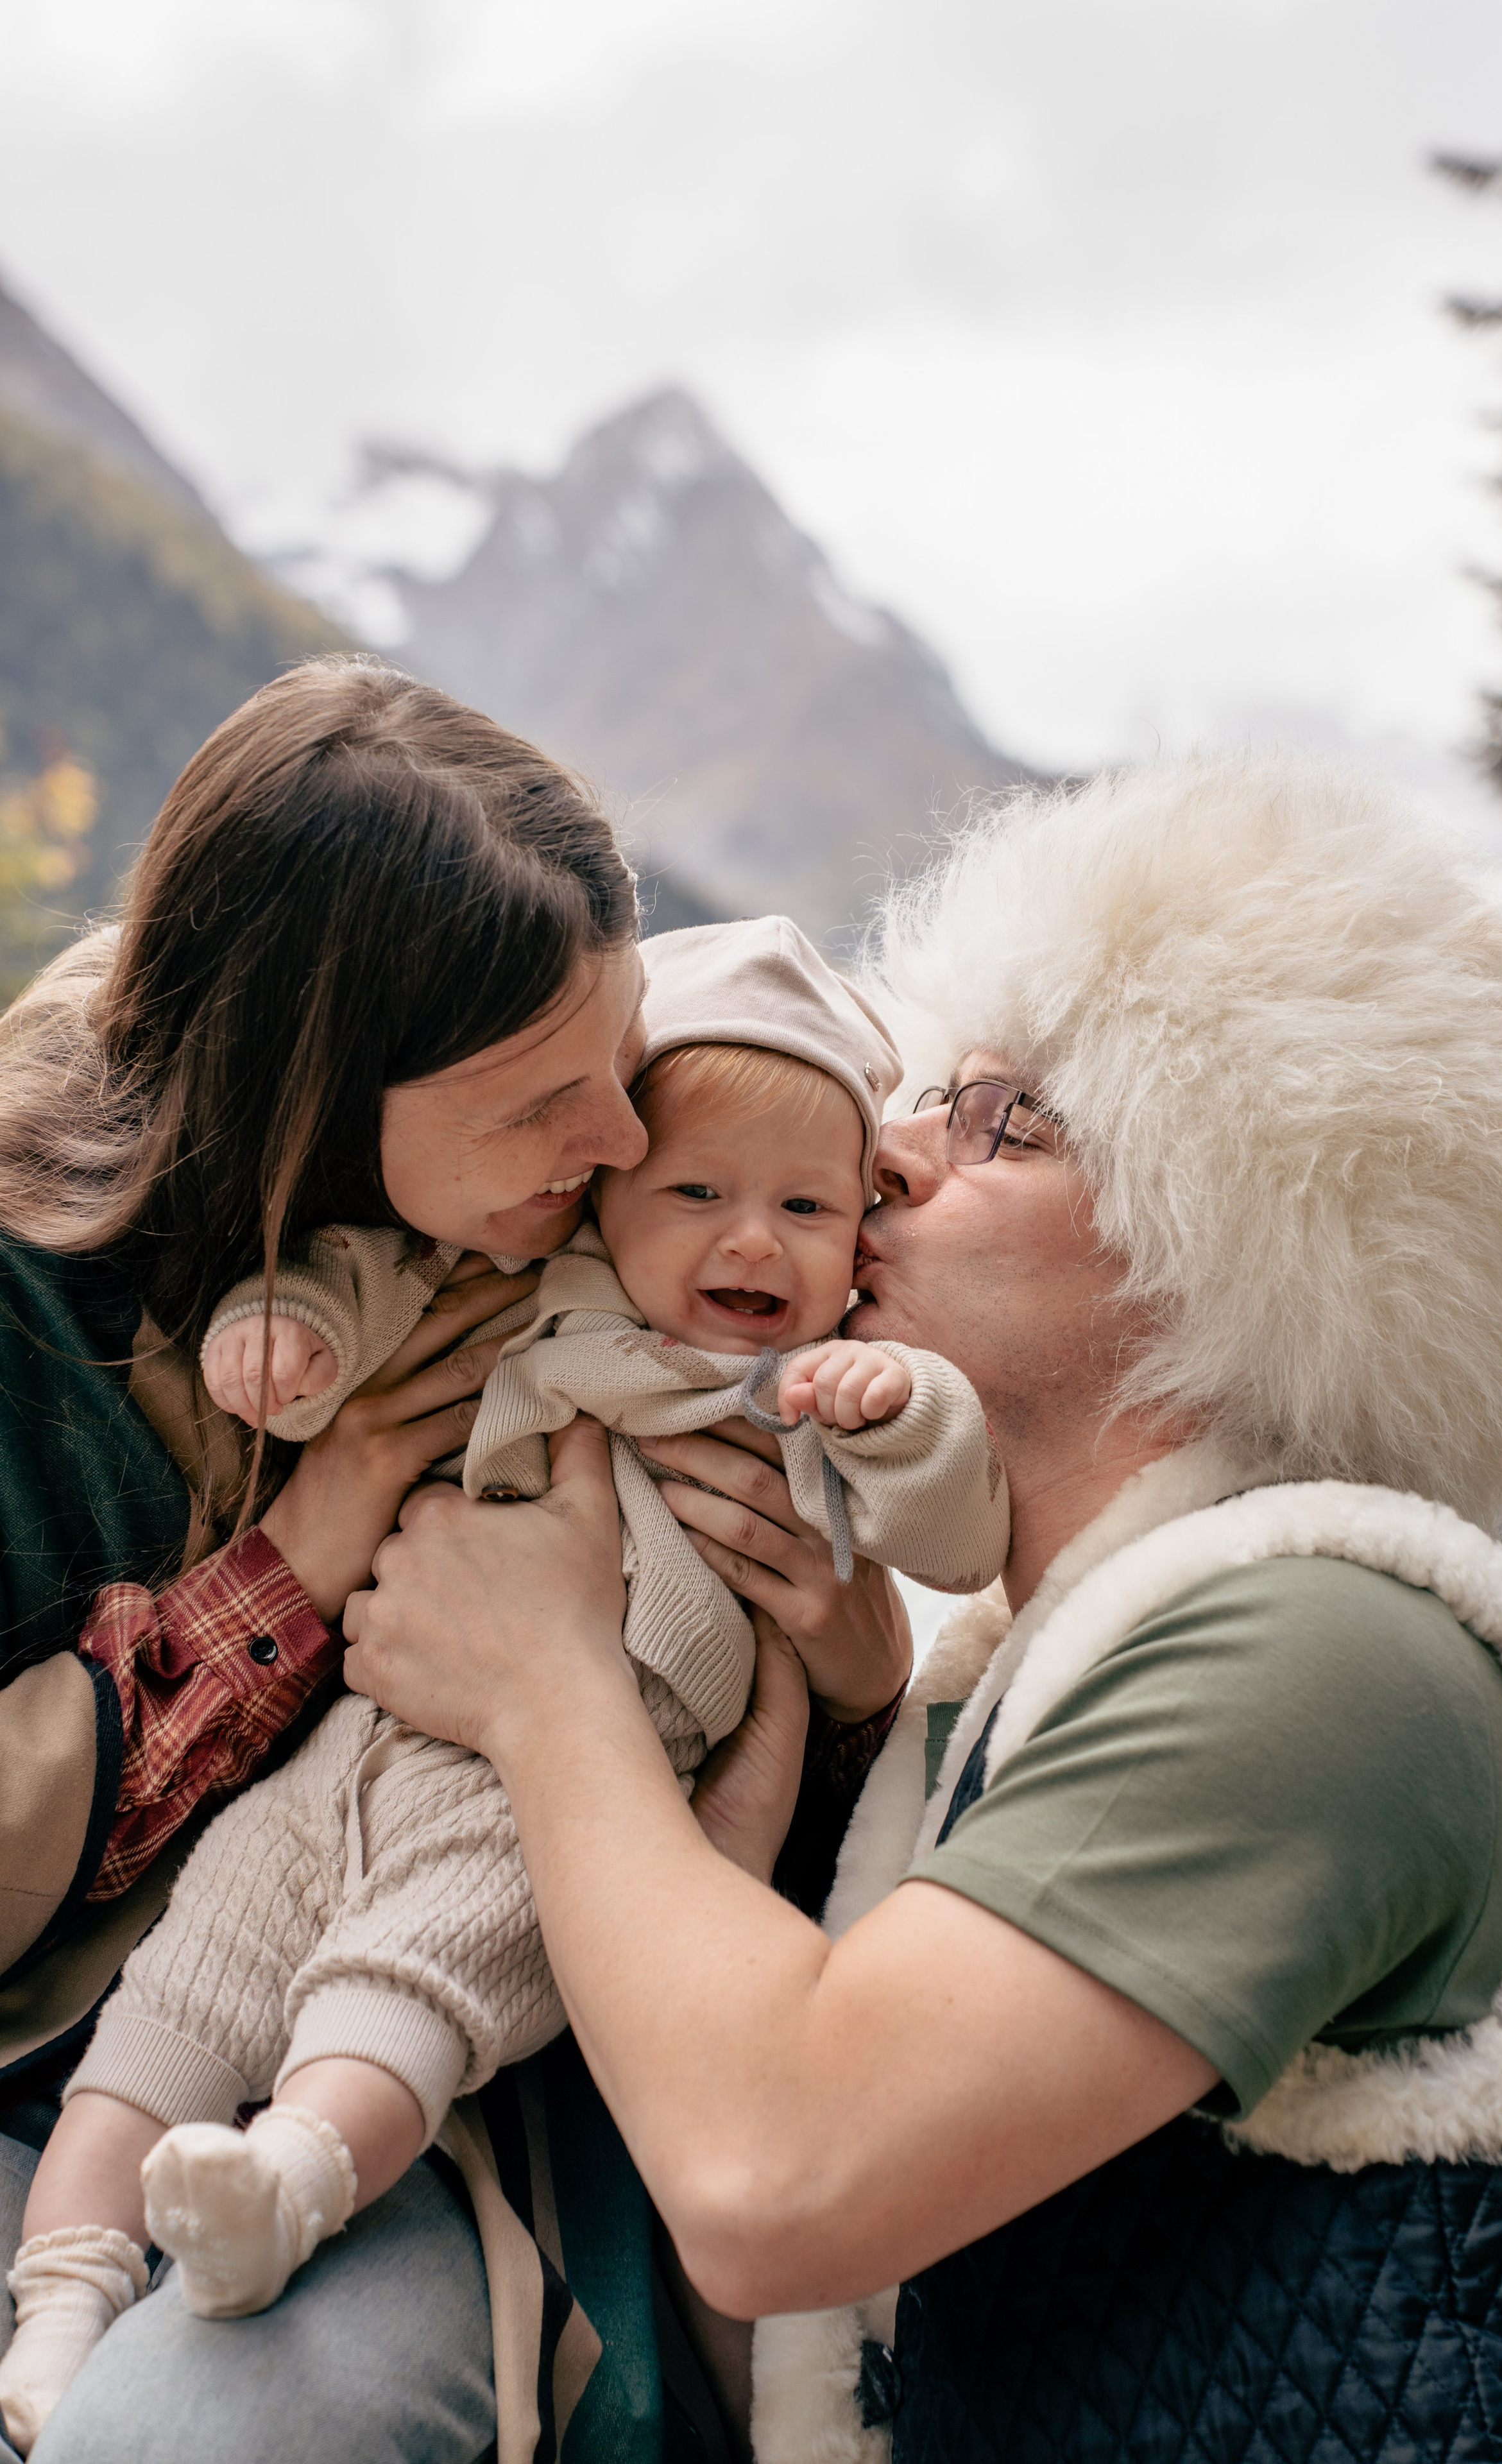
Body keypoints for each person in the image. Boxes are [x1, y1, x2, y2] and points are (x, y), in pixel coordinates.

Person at [338, 753, 1502, 2463]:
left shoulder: (1327, 1647)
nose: (877, 1156)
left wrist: (546, 1683)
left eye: (1002, 1121)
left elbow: (776, 2179)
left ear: (1241, 1232)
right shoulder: (1012, 1676)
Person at [0, 656, 912, 2464]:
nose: (624, 1138)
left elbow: (697, 1763)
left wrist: (846, 1663)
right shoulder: (33, 1304)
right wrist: (290, 1570)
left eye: (619, 1054)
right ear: (317, 1097)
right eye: (537, 1102)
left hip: (459, 2090)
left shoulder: (611, 1248)